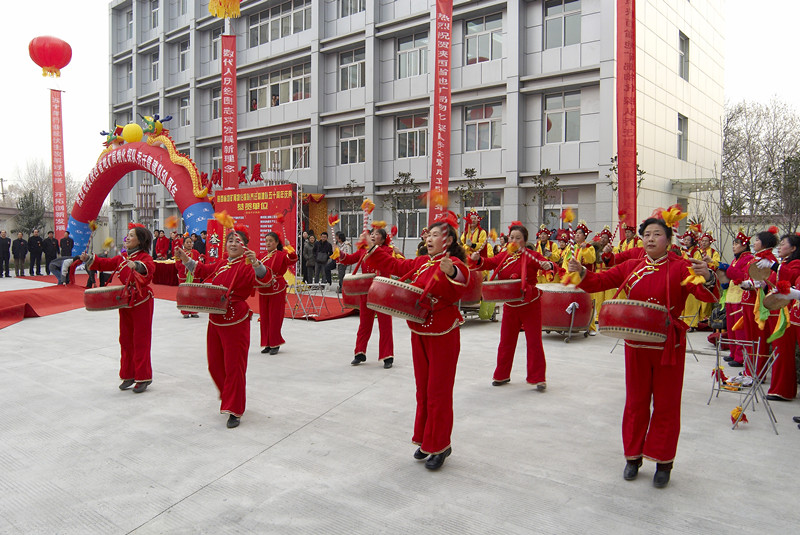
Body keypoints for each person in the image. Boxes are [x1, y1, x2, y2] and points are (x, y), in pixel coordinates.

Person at [569, 216, 718, 488]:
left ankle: (663, 462)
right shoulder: (632, 266)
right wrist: (580, 272)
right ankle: (633, 457)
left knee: (666, 404)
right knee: (635, 402)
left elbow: (707, 295)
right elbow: (599, 281)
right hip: (636, 344)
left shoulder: (681, 267)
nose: (650, 239)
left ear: (668, 239)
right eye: (646, 234)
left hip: (668, 345)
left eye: (657, 234)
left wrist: (708, 277)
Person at [361, 213, 469, 470]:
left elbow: (463, 278)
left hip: (444, 333)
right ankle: (425, 439)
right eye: (428, 235)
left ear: (448, 240)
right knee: (423, 390)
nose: (429, 238)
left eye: (435, 235)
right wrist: (373, 248)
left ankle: (440, 445)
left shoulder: (453, 262)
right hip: (419, 329)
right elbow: (395, 265)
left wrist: (452, 271)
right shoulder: (422, 262)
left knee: (439, 391)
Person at [175, 225, 271, 428]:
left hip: (235, 319)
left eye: (237, 241)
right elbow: (202, 270)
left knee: (234, 366)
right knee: (215, 364)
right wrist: (185, 259)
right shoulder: (221, 264)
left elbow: (265, 278)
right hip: (215, 317)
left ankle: (234, 408)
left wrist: (256, 264)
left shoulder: (247, 265)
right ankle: (229, 395)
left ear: (245, 246)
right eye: (230, 241)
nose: (233, 244)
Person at [471, 223, 554, 389]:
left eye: (518, 238)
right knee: (506, 342)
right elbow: (489, 263)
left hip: (530, 304)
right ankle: (502, 375)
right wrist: (477, 259)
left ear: (524, 240)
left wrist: (549, 265)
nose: (514, 241)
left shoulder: (531, 255)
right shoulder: (504, 255)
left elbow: (547, 264)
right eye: (512, 237)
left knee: (534, 342)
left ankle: (538, 377)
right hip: (510, 304)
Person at [80, 224, 156, 394]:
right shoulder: (122, 258)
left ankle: (143, 376)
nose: (127, 238)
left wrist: (136, 265)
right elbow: (104, 263)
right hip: (125, 301)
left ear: (140, 240)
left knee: (141, 340)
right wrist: (88, 259)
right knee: (125, 339)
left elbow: (149, 268)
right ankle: (128, 374)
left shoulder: (144, 257)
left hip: (142, 301)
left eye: (131, 235)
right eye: (127, 235)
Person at [336, 225, 396, 368]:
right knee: (364, 324)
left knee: (385, 325)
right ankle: (359, 352)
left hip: (382, 292)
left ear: (383, 239)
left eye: (377, 234)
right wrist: (339, 253)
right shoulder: (363, 251)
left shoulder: (387, 251)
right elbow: (349, 259)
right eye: (372, 233)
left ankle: (387, 356)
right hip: (366, 292)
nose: (373, 235)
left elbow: (389, 263)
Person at [764, 233, 800, 401]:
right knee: (778, 350)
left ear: (793, 248)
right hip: (777, 311)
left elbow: (790, 277)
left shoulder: (795, 264)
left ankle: (783, 389)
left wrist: (774, 266)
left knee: (783, 351)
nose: (780, 246)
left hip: (786, 313)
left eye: (784, 243)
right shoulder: (784, 263)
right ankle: (780, 388)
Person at [256, 231, 298, 354]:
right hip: (264, 288)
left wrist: (289, 247)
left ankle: (275, 343)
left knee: (275, 317)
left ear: (276, 242)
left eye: (271, 241)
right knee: (264, 317)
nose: (268, 243)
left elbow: (293, 259)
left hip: (276, 288)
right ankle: (267, 343)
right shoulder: (261, 255)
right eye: (266, 241)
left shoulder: (281, 255)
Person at [719, 229, 755, 368]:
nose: (733, 247)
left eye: (736, 244)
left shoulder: (748, 259)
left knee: (740, 330)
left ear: (744, 245)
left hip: (740, 297)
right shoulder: (736, 259)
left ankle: (740, 357)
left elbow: (742, 276)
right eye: (733, 244)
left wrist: (727, 269)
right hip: (731, 296)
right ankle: (733, 352)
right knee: (731, 328)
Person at [176, 236, 201, 318]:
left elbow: (199, 263)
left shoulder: (196, 252)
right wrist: (186, 267)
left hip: (194, 276)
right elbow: (177, 265)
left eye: (190, 242)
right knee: (184, 293)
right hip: (184, 276)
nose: (189, 244)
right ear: (183, 244)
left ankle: (194, 311)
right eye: (187, 242)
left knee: (194, 293)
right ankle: (185, 311)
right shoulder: (180, 252)